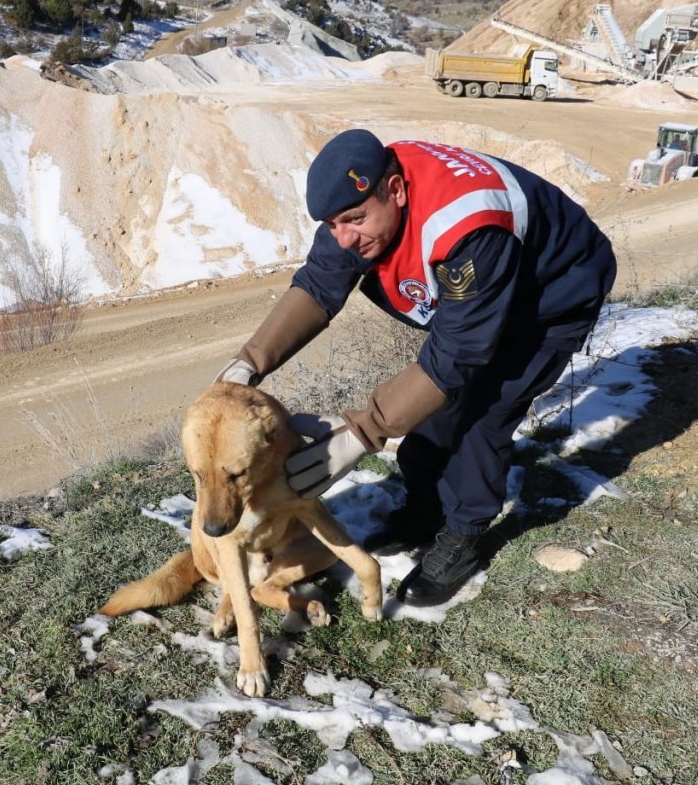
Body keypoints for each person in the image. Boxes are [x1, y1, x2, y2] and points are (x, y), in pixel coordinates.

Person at [215, 129, 617, 607]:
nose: (344, 238)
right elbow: (321, 284)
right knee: (434, 412)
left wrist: (363, 432)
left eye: (354, 220)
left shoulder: (467, 227)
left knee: (484, 412)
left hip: (552, 295)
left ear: (396, 190)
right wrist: (249, 363)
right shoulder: (360, 201)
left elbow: (459, 354)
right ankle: (425, 511)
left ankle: (463, 535)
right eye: (332, 225)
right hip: (485, 295)